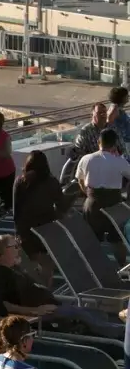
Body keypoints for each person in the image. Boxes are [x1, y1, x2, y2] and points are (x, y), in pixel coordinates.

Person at [76, 128, 130, 266]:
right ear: (114, 144)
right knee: (117, 239)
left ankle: (93, 269)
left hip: (92, 203)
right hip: (114, 205)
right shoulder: (119, 161)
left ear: (98, 142)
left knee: (92, 240)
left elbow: (81, 181)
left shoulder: (86, 159)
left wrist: (89, 194)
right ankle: (122, 267)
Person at [12, 150, 67, 285]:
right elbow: (62, 205)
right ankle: (46, 288)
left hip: (26, 231)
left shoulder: (19, 181)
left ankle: (34, 288)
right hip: (46, 230)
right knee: (47, 262)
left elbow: (16, 210)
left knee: (31, 263)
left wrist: (18, 233)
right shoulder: (51, 182)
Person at [64, 102, 114, 184]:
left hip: (113, 166)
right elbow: (79, 153)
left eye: (104, 112)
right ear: (92, 114)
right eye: (99, 113)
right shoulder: (86, 131)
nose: (103, 115)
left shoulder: (112, 128)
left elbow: (121, 148)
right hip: (95, 170)